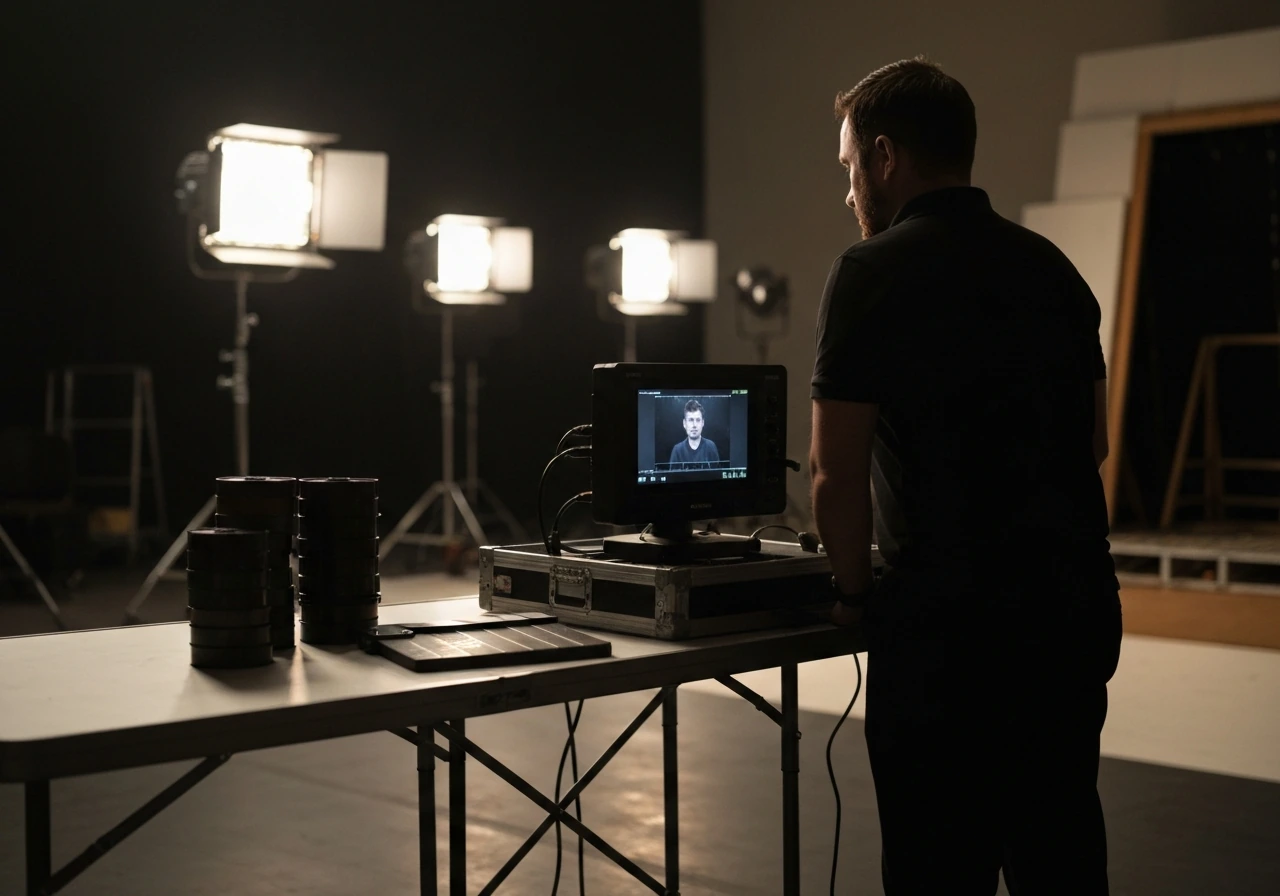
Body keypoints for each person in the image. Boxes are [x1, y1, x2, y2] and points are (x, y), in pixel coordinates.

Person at [809, 58, 1121, 895]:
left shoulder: (869, 272)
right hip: (1068, 620)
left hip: (948, 641)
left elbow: (834, 473)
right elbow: (1093, 442)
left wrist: (851, 595)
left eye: (849, 166)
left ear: (885, 157)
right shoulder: (1054, 268)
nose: (848, 191)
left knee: (937, 874)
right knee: (1061, 865)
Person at [668, 399, 721, 467]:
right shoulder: (677, 450)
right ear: (684, 423)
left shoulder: (711, 447)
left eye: (698, 420)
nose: (694, 425)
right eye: (691, 420)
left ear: (703, 423)